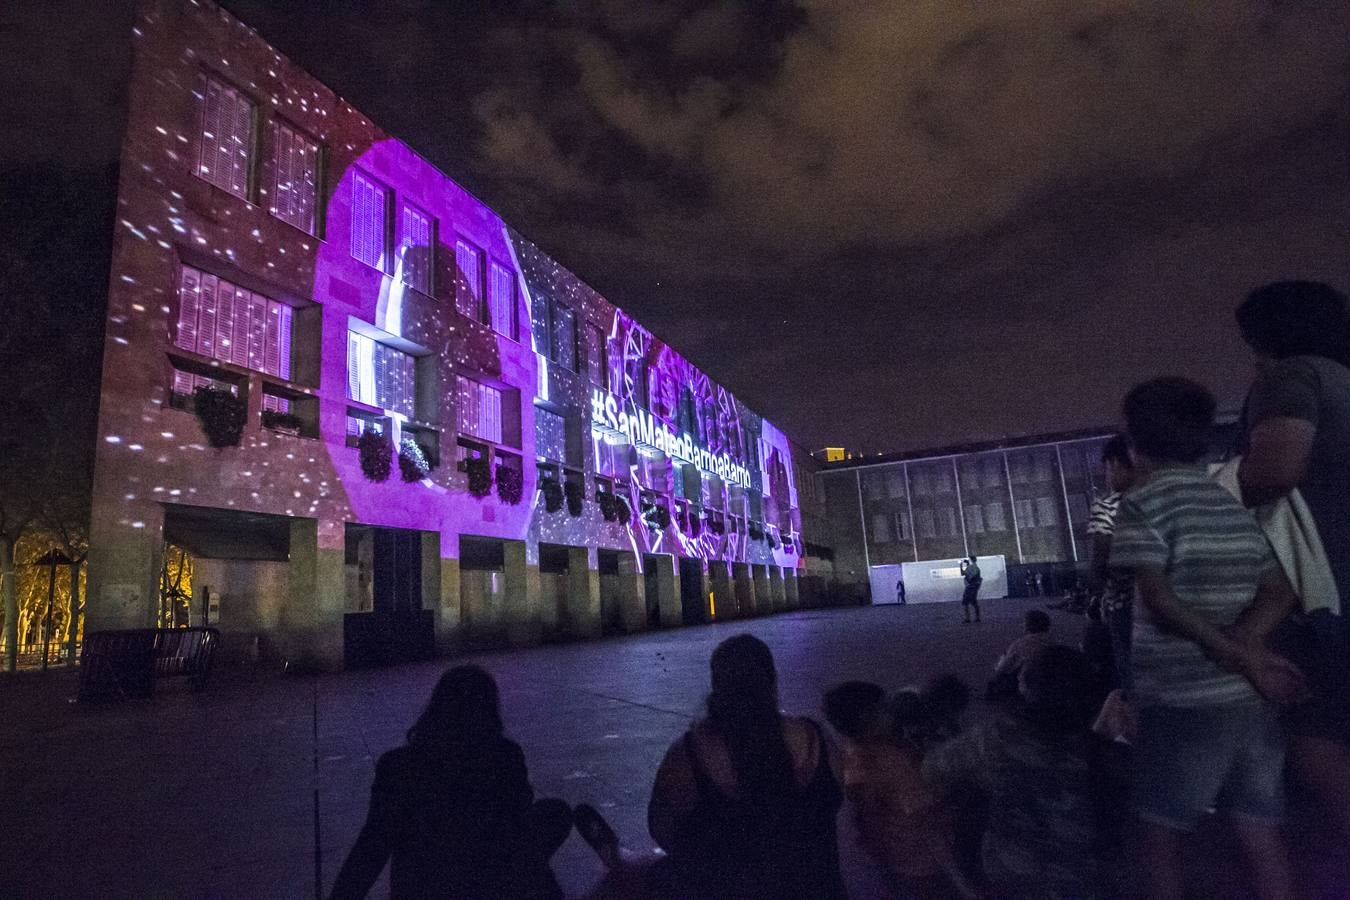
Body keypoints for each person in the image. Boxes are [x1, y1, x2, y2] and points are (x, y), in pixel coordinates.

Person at [1111, 377, 1305, 900]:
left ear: (1134, 442)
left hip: (1182, 701)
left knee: (1159, 837)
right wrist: (1249, 646)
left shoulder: (1142, 501)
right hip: (1250, 702)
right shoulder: (1229, 504)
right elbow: (1282, 590)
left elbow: (1160, 600)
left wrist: (1232, 653)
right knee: (1260, 830)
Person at [1236, 280, 1350, 843]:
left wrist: (1226, 482)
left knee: (1318, 734)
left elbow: (1273, 473)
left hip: (1325, 586)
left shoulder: (1292, 378)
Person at [329, 665, 571, 899]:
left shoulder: (397, 765)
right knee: (553, 813)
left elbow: (373, 844)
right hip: (490, 883)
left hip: (421, 889)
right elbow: (519, 822)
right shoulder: (504, 755)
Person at [646, 634, 846, 899]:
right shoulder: (816, 741)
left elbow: (662, 830)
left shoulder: (689, 756)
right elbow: (835, 798)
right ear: (773, 683)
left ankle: (615, 856)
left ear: (717, 689)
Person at [923, 646, 1111, 899]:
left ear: (1026, 688)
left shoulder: (996, 738)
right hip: (1086, 875)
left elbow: (932, 768)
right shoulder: (1106, 753)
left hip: (1014, 871)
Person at [823, 682, 979, 899]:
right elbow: (926, 818)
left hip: (885, 849)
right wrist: (963, 884)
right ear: (867, 718)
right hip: (919, 858)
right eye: (884, 708)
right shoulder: (894, 764)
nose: (892, 712)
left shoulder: (852, 755)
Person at [1086, 434, 1140, 691]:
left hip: (1123, 603)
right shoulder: (1159, 499)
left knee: (1130, 673)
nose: (1107, 477)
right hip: (1169, 601)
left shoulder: (1107, 506)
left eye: (1106, 469)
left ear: (1116, 464)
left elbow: (1099, 561)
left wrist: (1100, 594)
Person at [987, 610, 1055, 702]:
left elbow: (1003, 667)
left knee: (1002, 674)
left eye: (1024, 622)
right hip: (1052, 683)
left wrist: (998, 667)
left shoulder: (1020, 644)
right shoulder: (1053, 642)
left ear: (1028, 626)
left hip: (1028, 687)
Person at [960, 557, 982, 623]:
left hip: (970, 587)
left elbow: (963, 574)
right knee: (973, 602)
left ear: (971, 560)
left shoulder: (971, 568)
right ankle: (977, 618)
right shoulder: (976, 568)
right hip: (973, 587)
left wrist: (961, 565)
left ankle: (968, 618)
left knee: (966, 602)